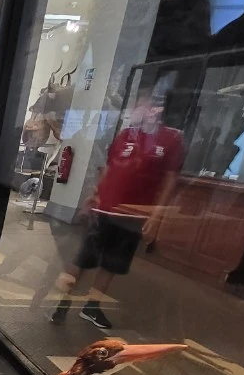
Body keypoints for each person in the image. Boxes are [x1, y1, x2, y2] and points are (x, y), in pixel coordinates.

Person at [50, 93, 183, 330]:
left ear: (155, 110)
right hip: (104, 208)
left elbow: (170, 179)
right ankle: (62, 303)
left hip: (132, 215)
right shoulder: (125, 135)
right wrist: (94, 195)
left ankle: (91, 307)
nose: (132, 111)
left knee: (112, 263)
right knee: (84, 257)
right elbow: (110, 168)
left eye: (138, 106)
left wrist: (156, 216)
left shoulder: (171, 139)